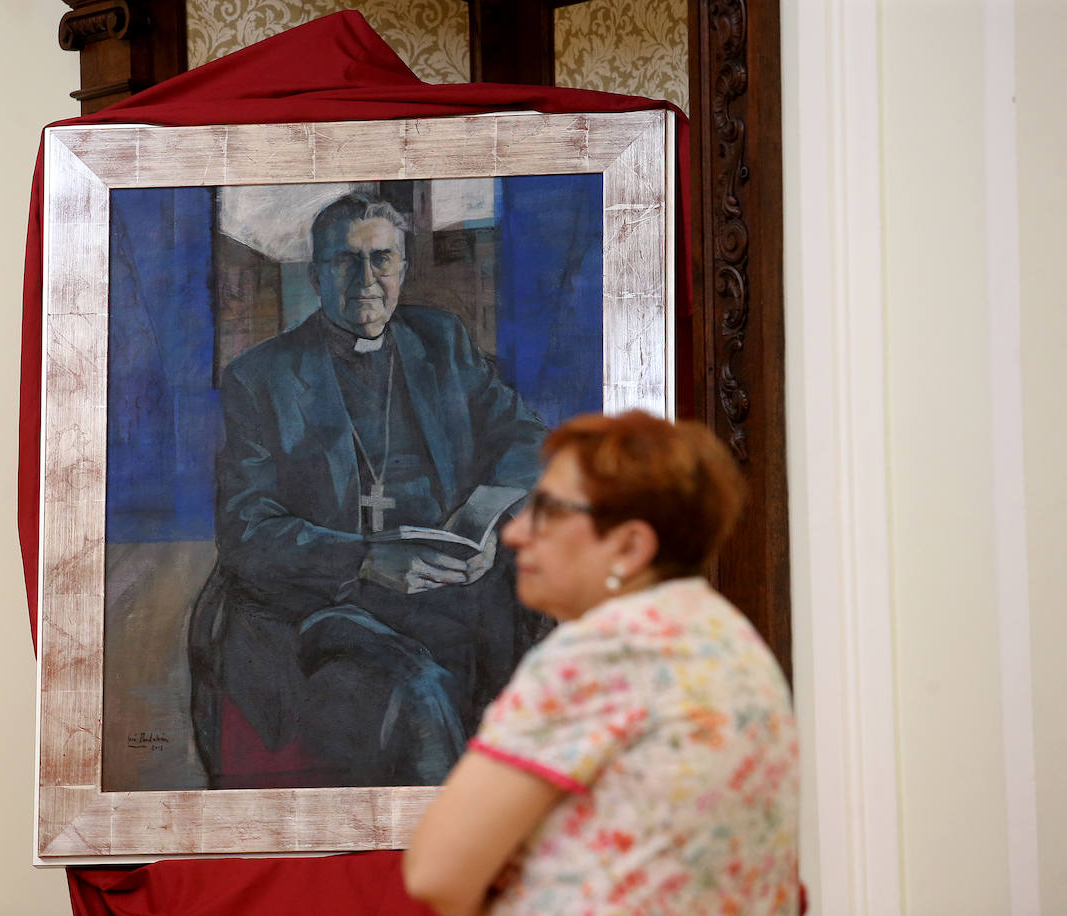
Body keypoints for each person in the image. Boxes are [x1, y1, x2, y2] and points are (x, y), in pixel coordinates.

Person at [189, 192, 548, 788]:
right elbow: (246, 531)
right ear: (317, 273)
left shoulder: (442, 343)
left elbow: (529, 437)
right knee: (418, 692)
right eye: (344, 262)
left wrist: (482, 518)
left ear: (403, 267)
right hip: (328, 603)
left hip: (450, 581)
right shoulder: (261, 378)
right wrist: (364, 560)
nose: (366, 280)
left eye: (381, 259)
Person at [404, 411, 800, 915]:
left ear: (630, 546)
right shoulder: (731, 638)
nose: (514, 533)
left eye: (545, 509)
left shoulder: (604, 649)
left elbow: (436, 870)